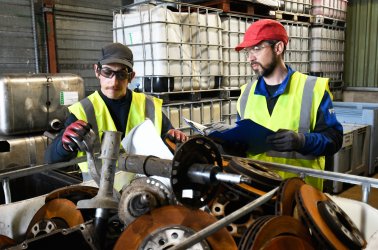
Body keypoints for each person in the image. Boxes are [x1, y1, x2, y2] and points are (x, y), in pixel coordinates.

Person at [45, 42, 187, 188]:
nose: (114, 81)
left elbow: (167, 139)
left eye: (121, 74)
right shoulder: (83, 111)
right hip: (100, 194)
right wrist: (64, 145)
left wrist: (173, 138)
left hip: (147, 189)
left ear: (131, 76)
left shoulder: (148, 105)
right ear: (97, 71)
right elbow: (51, 159)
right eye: (107, 72)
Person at [234, 19, 343, 191]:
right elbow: (241, 143)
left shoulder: (313, 89)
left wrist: (302, 141)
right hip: (257, 191)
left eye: (257, 48)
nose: (250, 58)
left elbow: (334, 140)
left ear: (278, 48)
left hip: (300, 194)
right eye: (247, 51)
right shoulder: (245, 93)